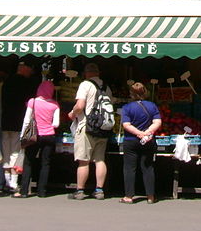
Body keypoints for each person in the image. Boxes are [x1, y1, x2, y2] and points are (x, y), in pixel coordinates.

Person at [68, 63, 113, 200]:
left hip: (87, 126)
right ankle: (99, 190)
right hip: (103, 127)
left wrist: (72, 113)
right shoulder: (107, 87)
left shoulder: (85, 85)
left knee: (84, 160)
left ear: (86, 73)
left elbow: (80, 105)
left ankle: (80, 190)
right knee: (100, 159)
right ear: (98, 73)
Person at [15, 81, 60, 198]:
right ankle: (42, 191)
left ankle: (24, 190)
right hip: (49, 135)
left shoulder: (32, 102)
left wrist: (22, 136)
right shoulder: (55, 105)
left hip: (34, 136)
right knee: (45, 163)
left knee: (28, 162)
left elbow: (26, 119)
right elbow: (56, 124)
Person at [120, 82, 162, 204]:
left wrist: (138, 133)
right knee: (148, 167)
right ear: (145, 92)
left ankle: (129, 196)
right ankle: (150, 196)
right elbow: (157, 122)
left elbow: (126, 125)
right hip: (148, 141)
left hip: (131, 140)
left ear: (131, 94)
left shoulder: (127, 108)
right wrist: (147, 132)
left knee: (129, 168)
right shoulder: (152, 106)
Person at [1, 60, 37, 193]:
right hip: (18, 122)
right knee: (16, 152)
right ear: (23, 68)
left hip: (6, 121)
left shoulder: (7, 82)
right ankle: (13, 183)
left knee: (6, 151)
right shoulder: (26, 83)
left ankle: (6, 181)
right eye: (29, 68)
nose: (31, 72)